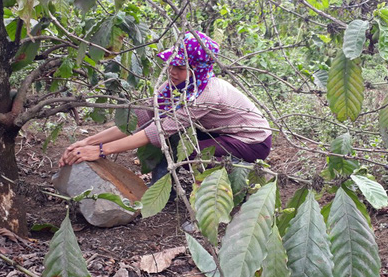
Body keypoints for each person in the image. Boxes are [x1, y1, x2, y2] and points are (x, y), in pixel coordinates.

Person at [58, 31, 272, 176]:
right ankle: (163, 187)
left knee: (185, 152)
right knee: (176, 141)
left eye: (181, 67)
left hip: (252, 141)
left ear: (197, 69)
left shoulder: (206, 94)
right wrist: (88, 142)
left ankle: (222, 190)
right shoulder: (173, 86)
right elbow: (140, 119)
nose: (172, 71)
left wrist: (100, 151)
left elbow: (155, 132)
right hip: (217, 131)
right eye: (172, 64)